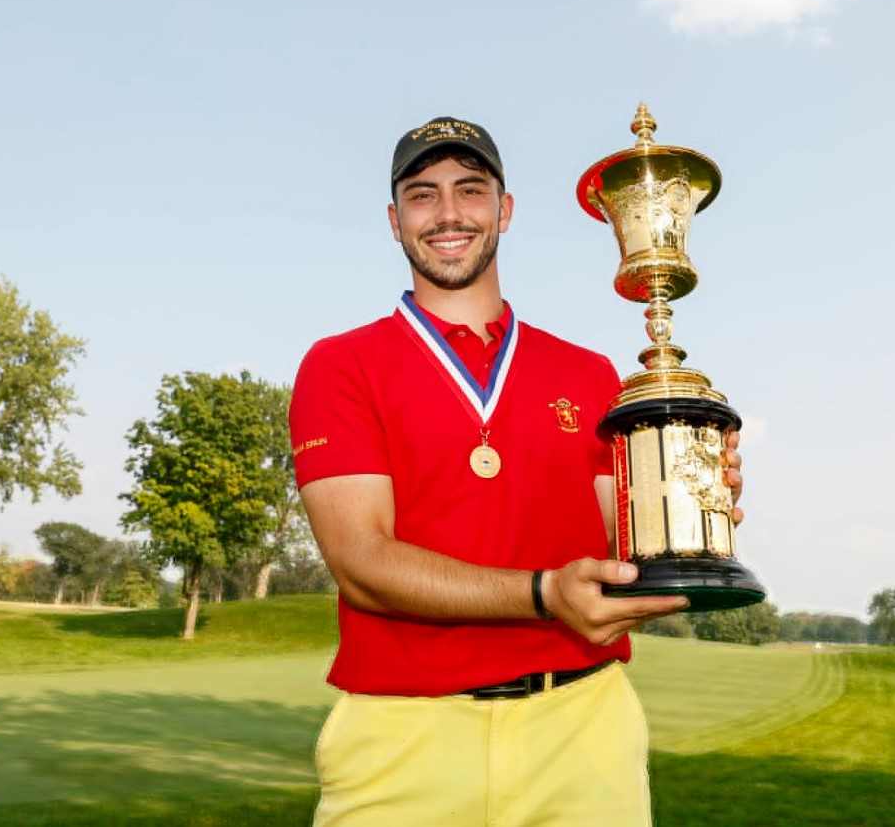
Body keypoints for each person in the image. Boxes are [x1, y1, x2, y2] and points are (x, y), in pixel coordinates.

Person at [288, 115, 744, 826]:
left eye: (470, 191)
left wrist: (684, 503)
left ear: (503, 211)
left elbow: (620, 552)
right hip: (401, 738)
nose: (447, 214)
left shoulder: (590, 373)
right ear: (393, 219)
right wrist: (544, 592)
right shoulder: (340, 364)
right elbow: (361, 562)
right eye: (421, 194)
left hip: (582, 730)